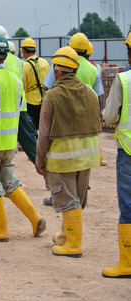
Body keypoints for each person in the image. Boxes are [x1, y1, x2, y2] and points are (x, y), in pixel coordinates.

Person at [0, 34, 46, 242]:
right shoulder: (16, 80)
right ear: (6, 55)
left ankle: (0, 230)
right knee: (8, 181)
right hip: (9, 143)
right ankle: (35, 218)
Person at [36, 46, 101, 258]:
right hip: (87, 157)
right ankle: (65, 237)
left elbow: (44, 134)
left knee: (67, 200)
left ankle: (73, 245)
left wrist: (39, 158)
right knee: (76, 199)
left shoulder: (52, 96)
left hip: (62, 159)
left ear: (57, 70)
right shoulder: (90, 93)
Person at [43, 32, 106, 206]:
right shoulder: (95, 69)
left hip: (62, 121)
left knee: (65, 180)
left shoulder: (58, 66)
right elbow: (98, 95)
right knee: (80, 168)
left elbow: (47, 86)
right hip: (84, 123)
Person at [0, 25, 38, 165]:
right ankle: (47, 172)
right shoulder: (17, 60)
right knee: (31, 143)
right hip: (20, 107)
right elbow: (22, 82)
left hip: (1, 109)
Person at [101, 48, 131, 277]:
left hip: (128, 151)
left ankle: (127, 264)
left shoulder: (124, 79)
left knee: (128, 208)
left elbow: (110, 117)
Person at [20, 38, 50, 130]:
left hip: (30, 102)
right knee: (42, 128)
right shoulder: (45, 62)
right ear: (35, 50)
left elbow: (23, 86)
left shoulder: (24, 65)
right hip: (44, 100)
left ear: (23, 51)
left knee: (31, 129)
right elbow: (50, 83)